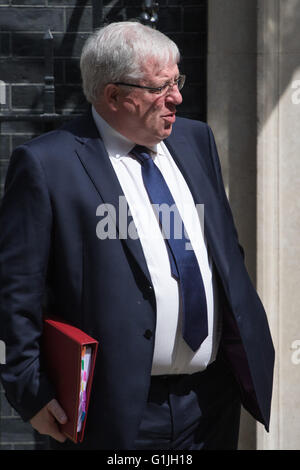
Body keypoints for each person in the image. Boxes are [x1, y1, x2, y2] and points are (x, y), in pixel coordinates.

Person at [0, 21, 274, 450]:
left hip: (210, 401)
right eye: (160, 87)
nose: (177, 98)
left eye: (177, 81)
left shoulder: (196, 140)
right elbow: (17, 293)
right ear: (113, 95)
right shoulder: (47, 164)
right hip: (113, 411)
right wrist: (30, 392)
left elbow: (223, 253)